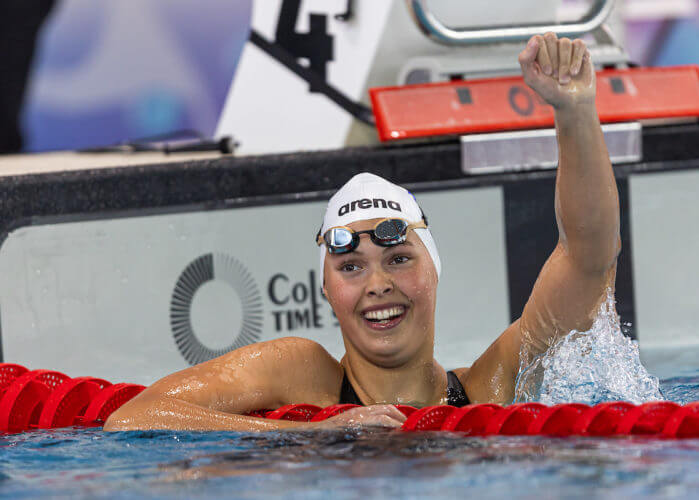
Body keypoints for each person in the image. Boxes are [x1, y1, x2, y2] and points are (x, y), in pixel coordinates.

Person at [105, 33, 620, 431]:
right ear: (328, 291)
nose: (377, 284)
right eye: (351, 267)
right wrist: (310, 434)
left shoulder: (493, 385)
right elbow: (135, 417)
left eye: (398, 258)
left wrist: (574, 111)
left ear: (433, 271)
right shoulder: (300, 375)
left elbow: (588, 258)